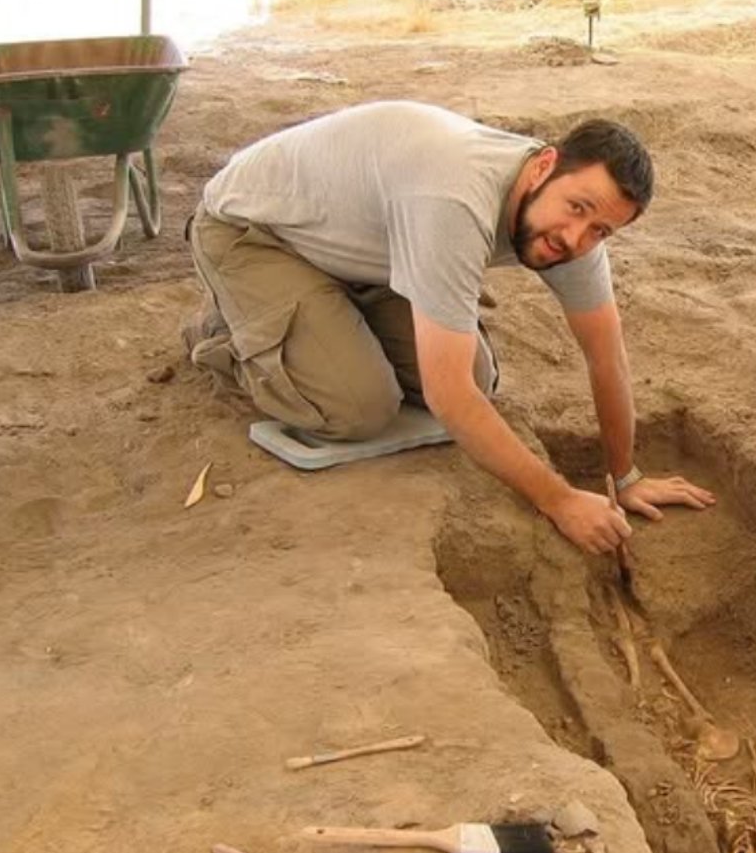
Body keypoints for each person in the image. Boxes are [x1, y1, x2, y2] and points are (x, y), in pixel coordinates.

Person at [184, 101, 714, 554]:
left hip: (366, 256)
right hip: (257, 233)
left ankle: (325, 320)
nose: (575, 237)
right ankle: (228, 332)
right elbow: (449, 396)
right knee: (358, 407)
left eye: (600, 230)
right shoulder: (454, 199)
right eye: (577, 209)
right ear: (543, 165)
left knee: (479, 379)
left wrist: (625, 476)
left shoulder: (573, 230)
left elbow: (606, 355)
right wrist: (558, 500)